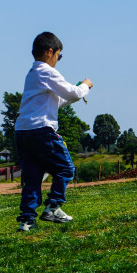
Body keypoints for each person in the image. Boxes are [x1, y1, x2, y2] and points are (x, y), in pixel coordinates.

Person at [15, 31, 93, 232]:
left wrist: (75, 92)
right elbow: (73, 92)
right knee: (66, 168)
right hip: (42, 130)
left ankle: (27, 221)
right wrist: (85, 86)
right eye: (59, 55)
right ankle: (53, 206)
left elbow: (58, 101)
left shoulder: (33, 73)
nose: (58, 60)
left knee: (32, 176)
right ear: (50, 52)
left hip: (23, 132)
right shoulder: (47, 71)